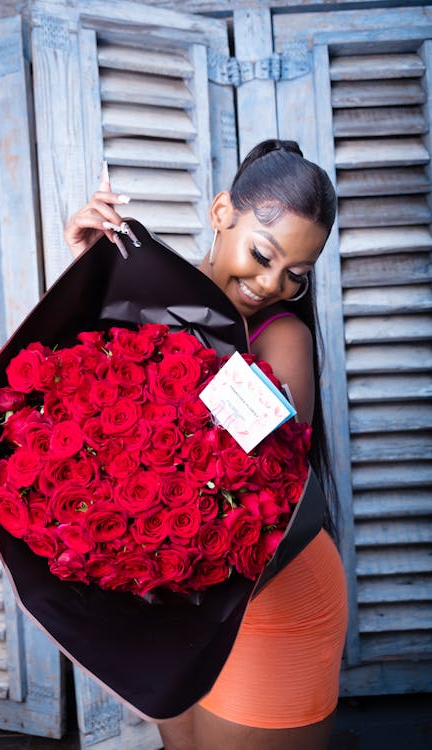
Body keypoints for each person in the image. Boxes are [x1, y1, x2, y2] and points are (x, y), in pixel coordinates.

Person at [64, 139, 348, 750]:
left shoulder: (284, 335)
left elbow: (263, 456)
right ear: (223, 212)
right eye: (262, 254)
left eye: (295, 276)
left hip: (273, 595)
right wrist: (96, 280)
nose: (271, 283)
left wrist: (147, 302)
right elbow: (86, 408)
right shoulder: (148, 297)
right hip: (176, 593)